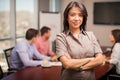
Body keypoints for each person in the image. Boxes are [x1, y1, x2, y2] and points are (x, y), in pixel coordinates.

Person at [56, 1, 105, 80]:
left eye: (80, 15)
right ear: (66, 17)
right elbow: (67, 64)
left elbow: (100, 59)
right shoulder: (61, 37)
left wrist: (78, 66)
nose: (76, 18)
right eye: (72, 15)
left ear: (83, 18)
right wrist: (91, 59)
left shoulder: (91, 35)